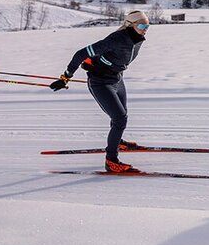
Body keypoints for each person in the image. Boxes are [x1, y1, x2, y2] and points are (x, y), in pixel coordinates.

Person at [50, 10, 149, 174]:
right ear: (131, 25)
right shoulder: (117, 39)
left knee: (121, 115)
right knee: (120, 119)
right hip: (100, 83)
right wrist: (66, 77)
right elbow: (81, 53)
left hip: (117, 79)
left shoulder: (137, 39)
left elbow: (113, 58)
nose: (145, 29)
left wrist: (99, 61)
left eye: (147, 26)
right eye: (142, 26)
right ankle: (111, 161)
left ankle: (118, 142)